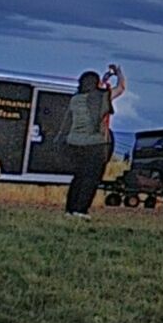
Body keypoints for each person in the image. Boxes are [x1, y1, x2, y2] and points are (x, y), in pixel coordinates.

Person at [59, 65, 123, 217]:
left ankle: (70, 209)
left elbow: (93, 94)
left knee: (78, 177)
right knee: (91, 179)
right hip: (95, 145)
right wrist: (119, 73)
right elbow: (120, 88)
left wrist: (105, 79)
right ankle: (81, 210)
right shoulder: (101, 98)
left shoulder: (75, 99)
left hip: (74, 144)